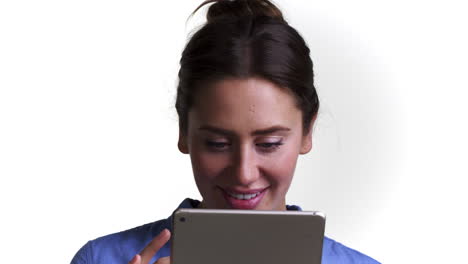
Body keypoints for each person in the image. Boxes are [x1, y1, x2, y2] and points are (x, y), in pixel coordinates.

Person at [71, 0, 380, 263]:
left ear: (307, 133)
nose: (244, 174)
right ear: (184, 132)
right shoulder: (103, 259)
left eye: (269, 143)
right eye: (217, 143)